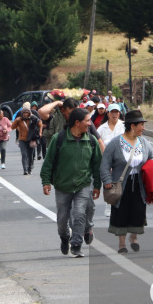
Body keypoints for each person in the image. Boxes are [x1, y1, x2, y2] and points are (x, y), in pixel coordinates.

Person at [40, 108, 102, 258]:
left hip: (83, 184)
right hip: (62, 186)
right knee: (62, 219)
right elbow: (48, 162)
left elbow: (97, 165)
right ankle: (64, 237)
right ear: (77, 122)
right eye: (87, 121)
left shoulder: (91, 141)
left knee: (79, 213)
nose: (90, 124)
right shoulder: (59, 139)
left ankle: (76, 244)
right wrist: (46, 181)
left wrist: (97, 185)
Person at [100, 110, 153, 253]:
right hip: (121, 184)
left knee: (138, 211)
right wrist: (107, 180)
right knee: (121, 212)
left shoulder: (143, 142)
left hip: (139, 184)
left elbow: (152, 159)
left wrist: (149, 173)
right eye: (141, 125)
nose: (143, 128)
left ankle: (134, 237)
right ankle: (121, 244)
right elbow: (105, 164)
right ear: (132, 126)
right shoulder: (115, 143)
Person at [97, 103, 126, 217]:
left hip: (122, 158)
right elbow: (97, 142)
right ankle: (109, 204)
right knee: (108, 181)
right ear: (108, 114)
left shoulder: (125, 126)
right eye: (112, 112)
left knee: (121, 180)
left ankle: (122, 204)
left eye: (117, 112)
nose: (114, 114)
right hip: (107, 159)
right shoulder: (102, 128)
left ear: (119, 113)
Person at [11, 102, 40, 175]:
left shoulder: (33, 118)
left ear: (29, 113)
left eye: (27, 113)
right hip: (22, 139)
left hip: (31, 139)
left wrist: (40, 132)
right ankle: (25, 170)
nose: (26, 114)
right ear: (22, 113)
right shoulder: (19, 119)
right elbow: (12, 127)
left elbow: (40, 124)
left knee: (30, 155)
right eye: (24, 113)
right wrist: (16, 122)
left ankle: (29, 168)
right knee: (24, 154)